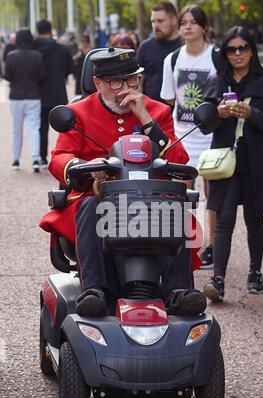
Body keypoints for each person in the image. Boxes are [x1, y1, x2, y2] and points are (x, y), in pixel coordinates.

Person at [39, 47, 206, 317]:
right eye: (116, 82)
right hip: (97, 196)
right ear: (98, 83)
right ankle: (95, 290)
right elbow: (60, 158)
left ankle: (178, 291)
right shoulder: (78, 112)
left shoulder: (157, 110)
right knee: (91, 209)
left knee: (178, 211)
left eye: (131, 80)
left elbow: (180, 161)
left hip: (149, 200)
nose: (124, 88)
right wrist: (85, 168)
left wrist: (146, 119)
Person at [202, 26, 263, 302]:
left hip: (255, 162)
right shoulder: (217, 81)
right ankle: (218, 279)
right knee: (224, 221)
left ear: (252, 50)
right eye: (232, 49)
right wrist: (219, 113)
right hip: (225, 162)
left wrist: (251, 113)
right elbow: (203, 124)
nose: (238, 54)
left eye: (243, 48)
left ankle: (255, 272)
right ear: (225, 53)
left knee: (254, 219)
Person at [160, 4, 217, 269]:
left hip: (213, 138)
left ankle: (212, 248)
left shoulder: (217, 57)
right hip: (182, 136)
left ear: (204, 27)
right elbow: (169, 99)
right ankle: (188, 247)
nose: (188, 26)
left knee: (212, 195)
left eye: (194, 22)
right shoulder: (171, 59)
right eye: (183, 22)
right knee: (183, 195)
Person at [4, 28, 46, 172]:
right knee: (34, 128)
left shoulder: (11, 56)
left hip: (16, 96)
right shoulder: (37, 55)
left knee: (16, 130)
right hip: (34, 96)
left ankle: (16, 160)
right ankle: (35, 159)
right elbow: (42, 76)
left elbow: (7, 76)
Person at [34, 19, 74, 168]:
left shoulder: (33, 49)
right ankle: (65, 157)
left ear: (37, 31)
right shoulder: (62, 49)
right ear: (51, 31)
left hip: (38, 94)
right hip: (58, 93)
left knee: (41, 128)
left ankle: (42, 157)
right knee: (64, 129)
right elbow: (70, 69)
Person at [137, 1, 182, 102]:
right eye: (153, 21)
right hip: (151, 112)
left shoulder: (185, 46)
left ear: (174, 20)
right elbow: (138, 82)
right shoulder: (145, 47)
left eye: (160, 21)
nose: (155, 26)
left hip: (179, 112)